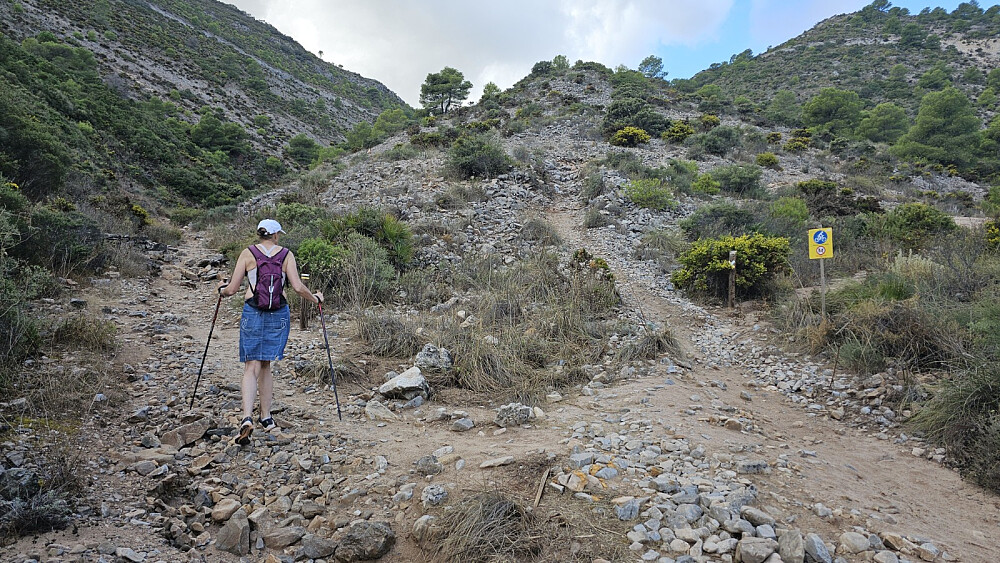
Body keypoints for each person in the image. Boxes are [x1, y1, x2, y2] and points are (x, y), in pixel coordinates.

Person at [218, 219, 323, 445]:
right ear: (275, 235)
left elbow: (232, 289)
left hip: (252, 312)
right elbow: (297, 286)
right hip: (278, 314)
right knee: (266, 364)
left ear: (260, 234)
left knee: (251, 366)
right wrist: (316, 299)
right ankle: (266, 417)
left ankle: (247, 417)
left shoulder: (247, 253)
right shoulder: (286, 255)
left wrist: (221, 290)